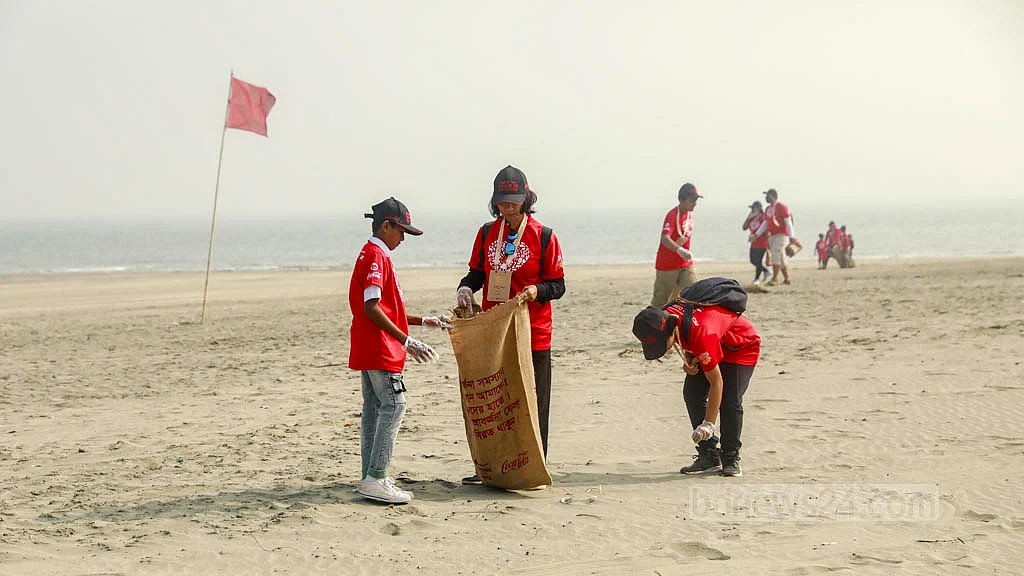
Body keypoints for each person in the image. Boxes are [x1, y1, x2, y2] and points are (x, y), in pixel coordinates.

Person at [456, 166, 565, 484]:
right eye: (502, 200)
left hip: (533, 333)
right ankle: (492, 464)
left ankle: (533, 465)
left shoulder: (544, 236)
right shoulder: (487, 233)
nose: (508, 206)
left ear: (526, 198)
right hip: (495, 331)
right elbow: (477, 273)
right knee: (497, 401)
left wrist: (536, 291)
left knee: (532, 400)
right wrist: (465, 287)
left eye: (513, 200)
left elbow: (558, 285)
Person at [349, 197, 448, 504]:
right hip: (380, 348)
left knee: (374, 410)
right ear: (386, 225)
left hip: (370, 345)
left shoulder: (372, 254)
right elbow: (372, 307)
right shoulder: (376, 256)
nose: (403, 238)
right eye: (401, 230)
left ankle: (370, 474)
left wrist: (422, 322)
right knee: (395, 404)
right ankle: (377, 477)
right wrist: (406, 340)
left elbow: (386, 309)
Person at [632, 298, 761, 477]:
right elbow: (685, 334)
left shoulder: (700, 334)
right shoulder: (666, 315)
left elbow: (717, 383)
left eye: (661, 344)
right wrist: (690, 358)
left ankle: (731, 456)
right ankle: (709, 455)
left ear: (669, 331)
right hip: (712, 342)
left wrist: (708, 424)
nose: (664, 349)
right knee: (692, 393)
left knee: (729, 401)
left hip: (739, 345)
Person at [652, 183, 701, 306]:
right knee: (661, 300)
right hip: (667, 265)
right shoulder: (672, 215)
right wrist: (679, 250)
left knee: (695, 294)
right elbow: (665, 238)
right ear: (682, 200)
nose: (695, 203)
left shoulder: (689, 214)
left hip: (685, 264)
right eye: (692, 200)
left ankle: (688, 322)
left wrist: (685, 253)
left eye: (696, 200)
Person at [752, 188, 799, 285]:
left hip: (782, 235)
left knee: (776, 253)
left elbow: (788, 222)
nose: (766, 198)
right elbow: (765, 223)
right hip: (772, 235)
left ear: (773, 196)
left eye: (767, 195)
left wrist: (791, 237)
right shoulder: (768, 209)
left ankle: (774, 278)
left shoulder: (782, 207)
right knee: (781, 257)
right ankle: (787, 278)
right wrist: (757, 234)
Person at [742, 201, 770, 285]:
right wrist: (748, 218)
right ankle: (766, 271)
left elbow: (766, 229)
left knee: (758, 261)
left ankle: (756, 279)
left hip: (762, 242)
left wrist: (769, 243)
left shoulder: (763, 218)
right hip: (753, 242)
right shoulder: (751, 218)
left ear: (759, 209)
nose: (752, 210)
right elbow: (744, 227)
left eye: (753, 208)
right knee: (753, 260)